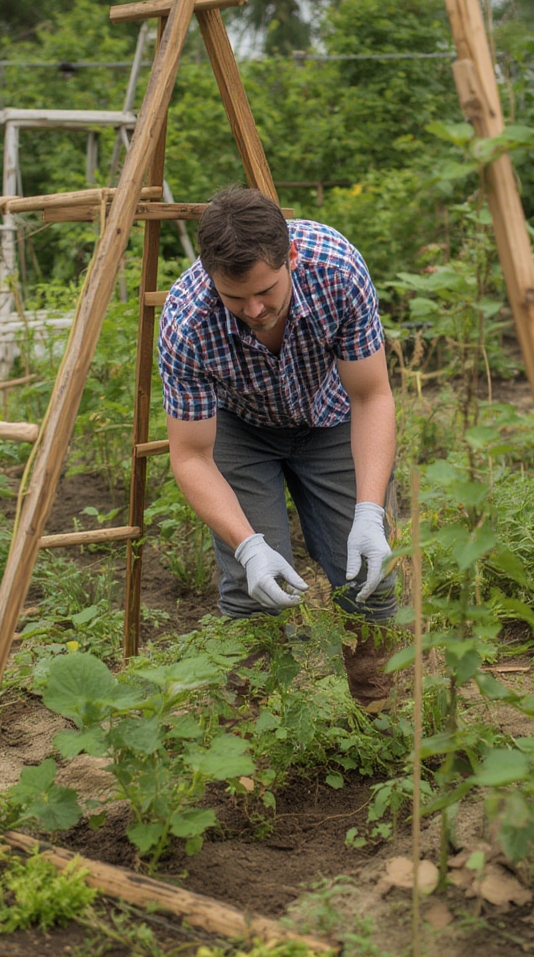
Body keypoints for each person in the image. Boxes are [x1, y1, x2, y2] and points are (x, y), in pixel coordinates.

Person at [157, 186, 397, 711]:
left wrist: (369, 511)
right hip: (240, 431)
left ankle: (379, 717)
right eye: (234, 298)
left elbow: (371, 394)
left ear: (290, 256)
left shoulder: (336, 270)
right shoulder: (186, 322)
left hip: (332, 415)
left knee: (368, 578)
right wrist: (248, 546)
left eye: (265, 290)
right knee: (254, 592)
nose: (254, 309)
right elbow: (191, 455)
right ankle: (258, 739)